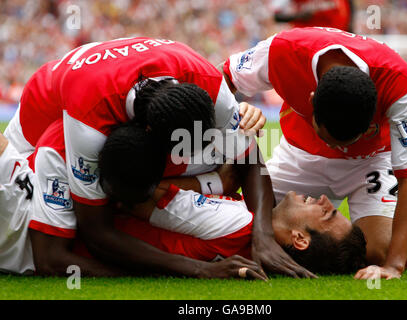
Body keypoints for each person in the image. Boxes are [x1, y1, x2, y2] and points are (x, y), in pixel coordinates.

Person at [4, 36, 314, 278]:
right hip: (44, 112)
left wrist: (263, 234)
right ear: (149, 131)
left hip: (112, 83)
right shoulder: (86, 125)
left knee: (156, 173)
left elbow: (249, 159)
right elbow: (94, 230)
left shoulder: (208, 84)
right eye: (179, 151)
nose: (200, 154)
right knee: (75, 198)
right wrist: (196, 270)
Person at [0, 123, 365, 278]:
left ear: (299, 240)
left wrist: (215, 172)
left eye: (327, 212)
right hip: (39, 224)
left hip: (31, 217)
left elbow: (141, 197)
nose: (321, 199)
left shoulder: (237, 224)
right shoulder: (244, 222)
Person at [219, 27, 407, 279]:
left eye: (347, 140)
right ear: (312, 100)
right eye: (328, 137)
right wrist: (238, 111)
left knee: (379, 252)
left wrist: (393, 266)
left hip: (371, 161)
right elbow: (220, 78)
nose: (338, 149)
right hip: (301, 155)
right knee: (251, 227)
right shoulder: (282, 50)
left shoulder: (399, 82)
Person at [272, 0, 353, 32]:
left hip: (337, 36)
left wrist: (350, 30)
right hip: (308, 39)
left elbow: (350, 7)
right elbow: (276, 16)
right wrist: (298, 16)